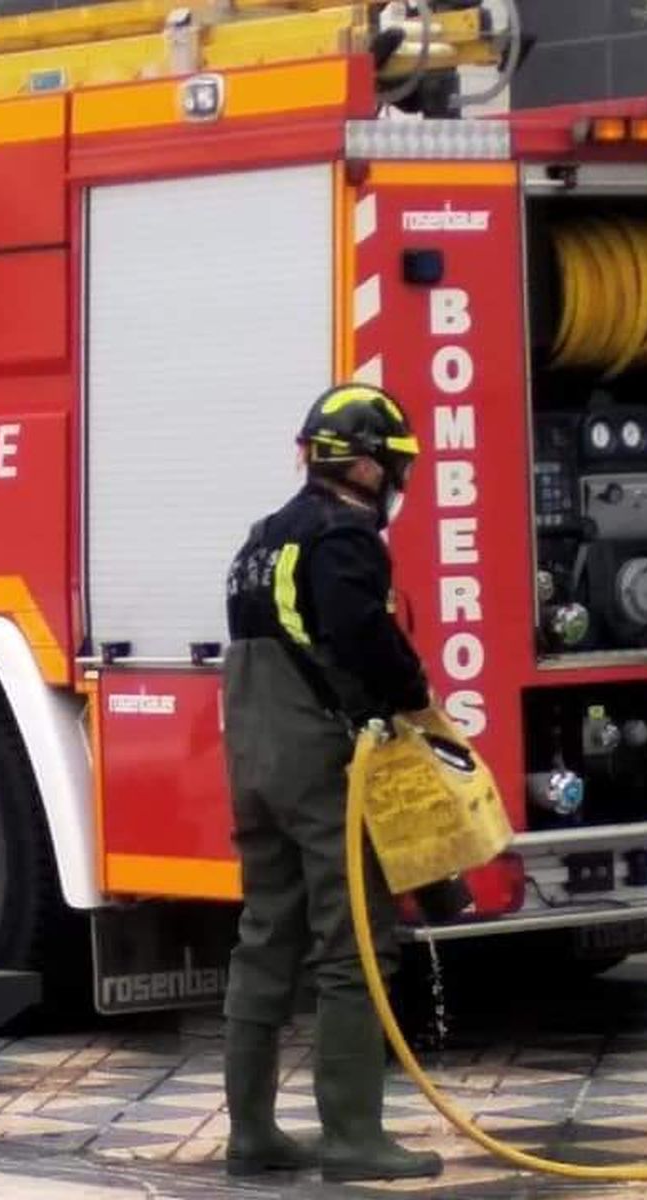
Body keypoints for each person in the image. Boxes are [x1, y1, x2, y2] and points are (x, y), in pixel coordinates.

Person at [220, 382, 444, 1183]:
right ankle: (353, 1137)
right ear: (367, 462)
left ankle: (251, 1134)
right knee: (353, 946)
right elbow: (359, 634)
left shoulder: (262, 538)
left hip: (251, 760)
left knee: (265, 940)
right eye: (394, 463)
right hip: (317, 765)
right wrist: (416, 698)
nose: (397, 480)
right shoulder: (344, 536)